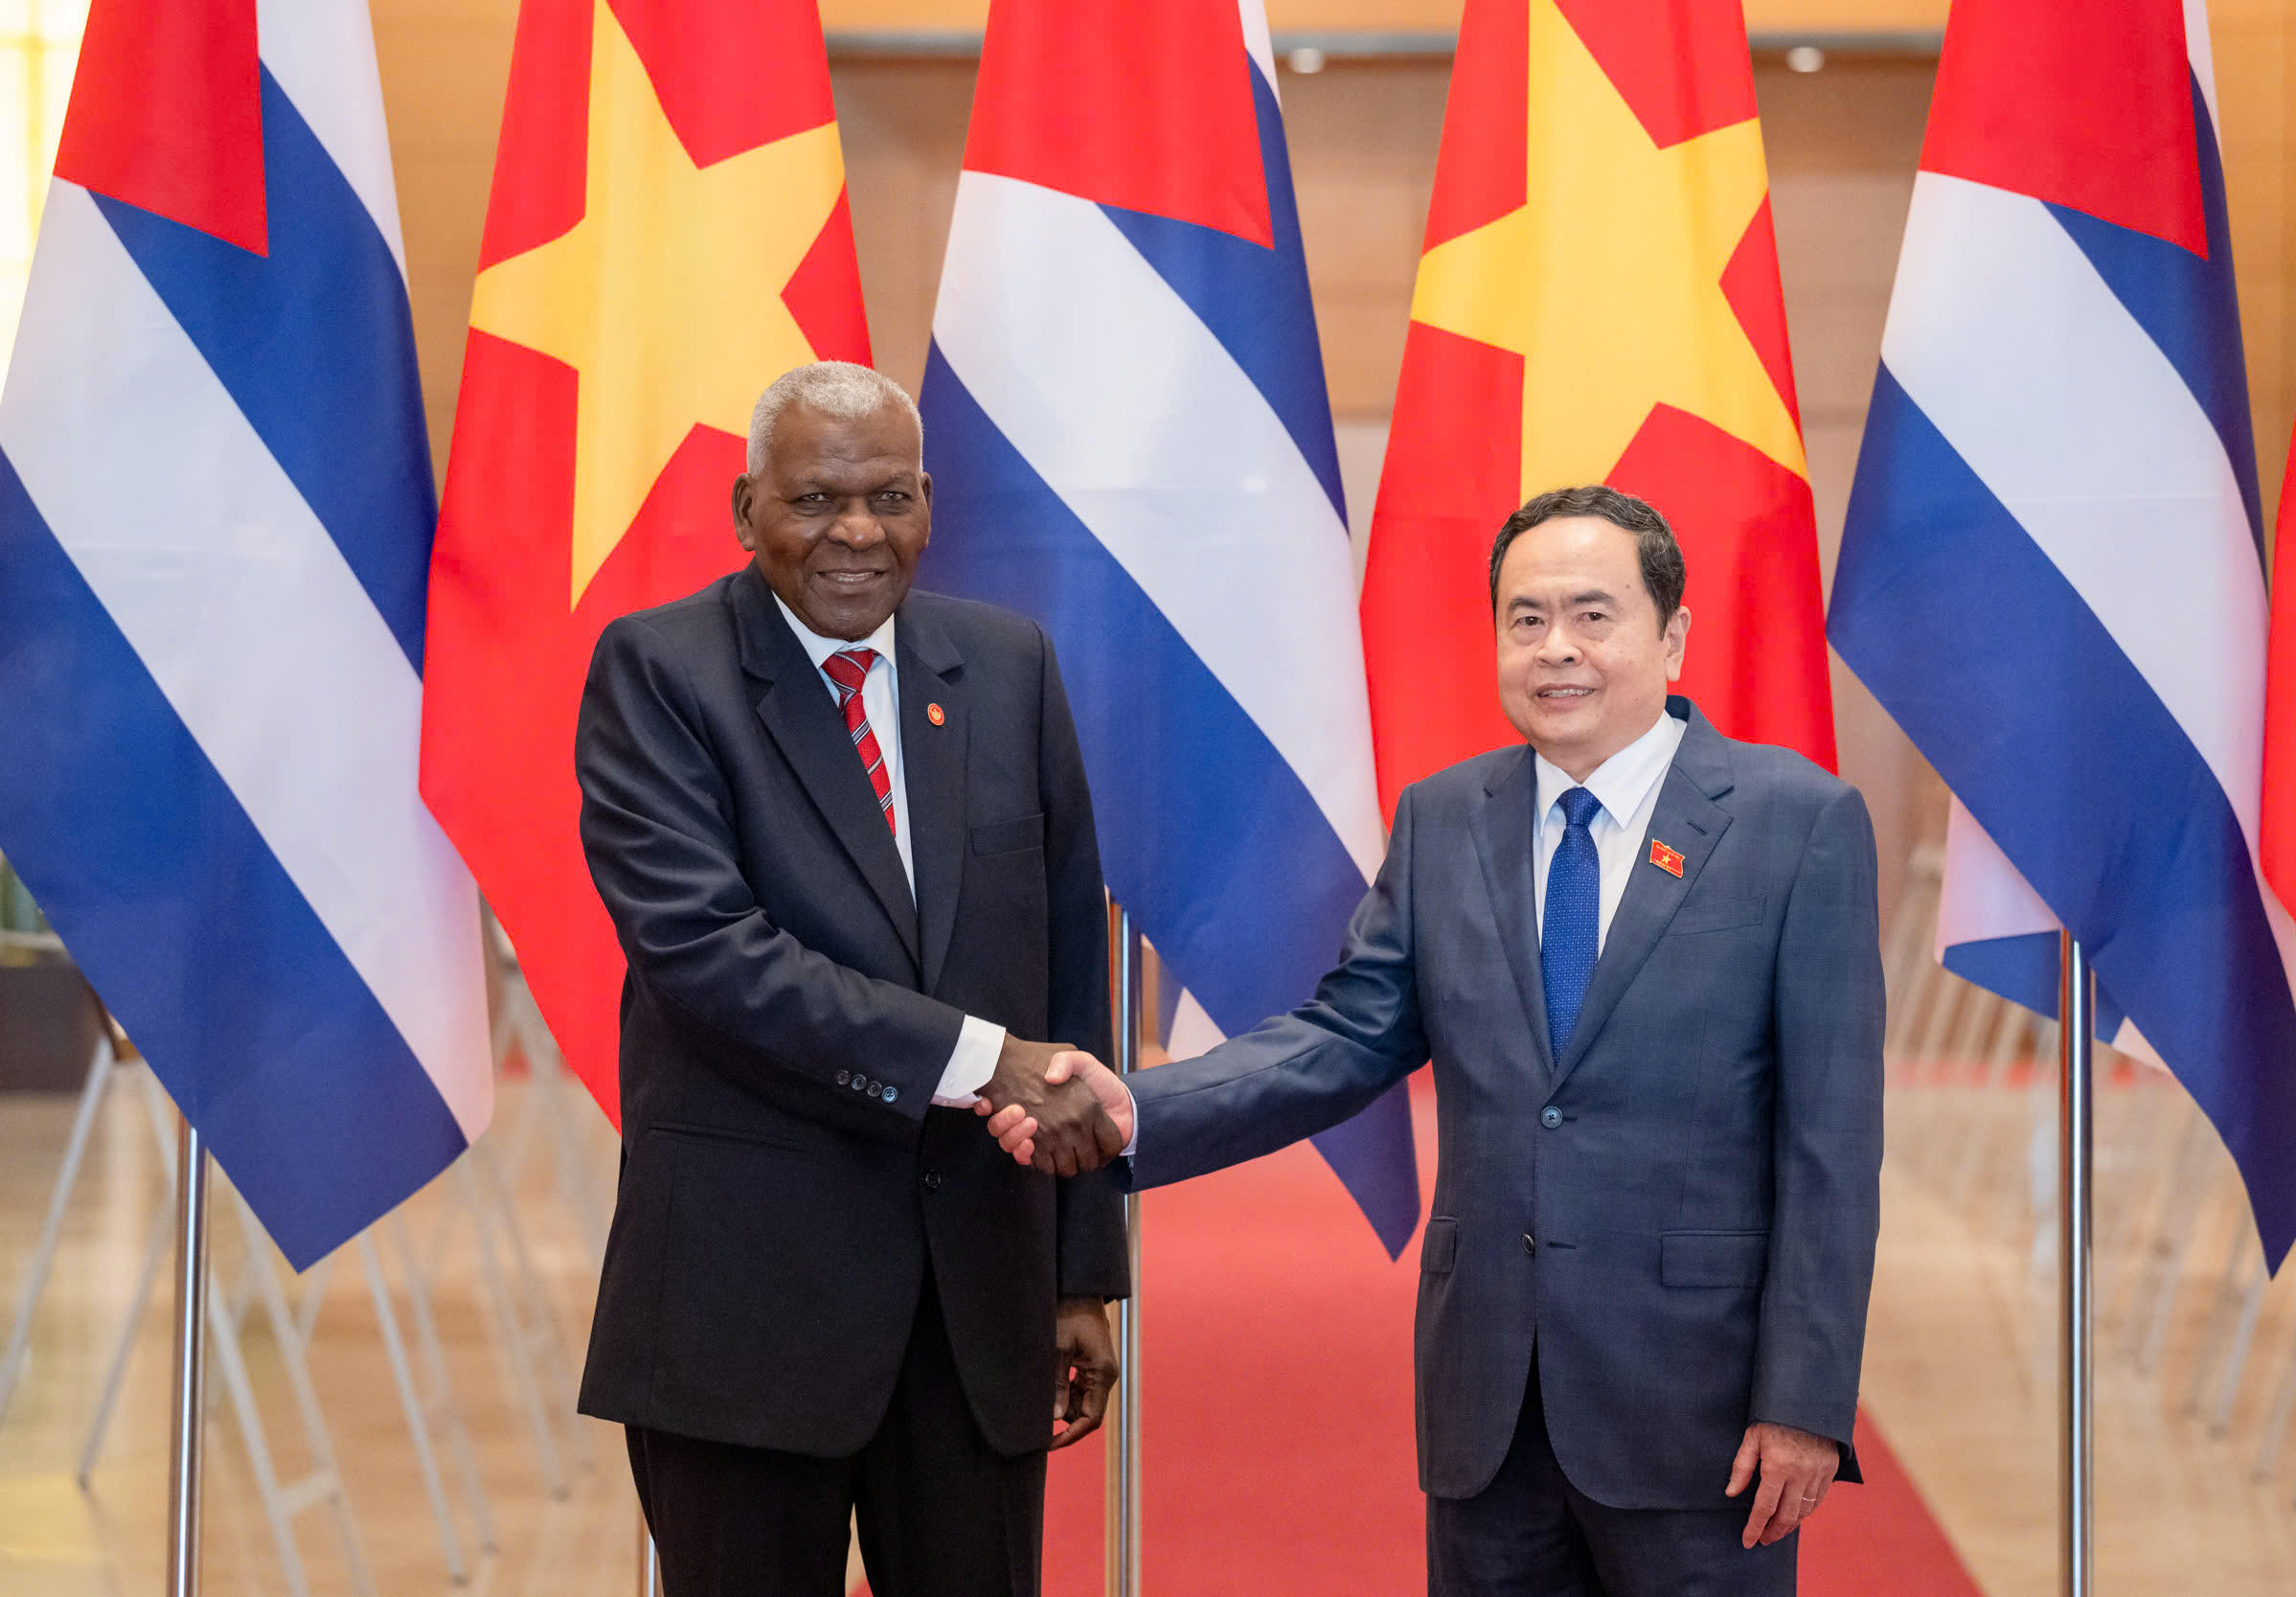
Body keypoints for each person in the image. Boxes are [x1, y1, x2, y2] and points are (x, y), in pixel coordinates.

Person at [991, 486, 1883, 1597]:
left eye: (1593, 614)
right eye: (1526, 617)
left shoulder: (1795, 821)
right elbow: (1343, 1034)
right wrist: (1137, 1107)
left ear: (1672, 635)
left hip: (1696, 1408)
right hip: (1486, 1408)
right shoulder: (1444, 817)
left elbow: (1831, 1145)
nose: (1556, 647)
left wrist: (1803, 1400)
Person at [574, 360, 1128, 1597]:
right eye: (816, 498)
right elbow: (711, 958)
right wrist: (982, 1060)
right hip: (745, 1310)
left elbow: (1067, 979)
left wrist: (1080, 1267)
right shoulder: (660, 673)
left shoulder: (1010, 667)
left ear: (929, 501)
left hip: (976, 1304)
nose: (858, 531)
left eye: (889, 496)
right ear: (747, 508)